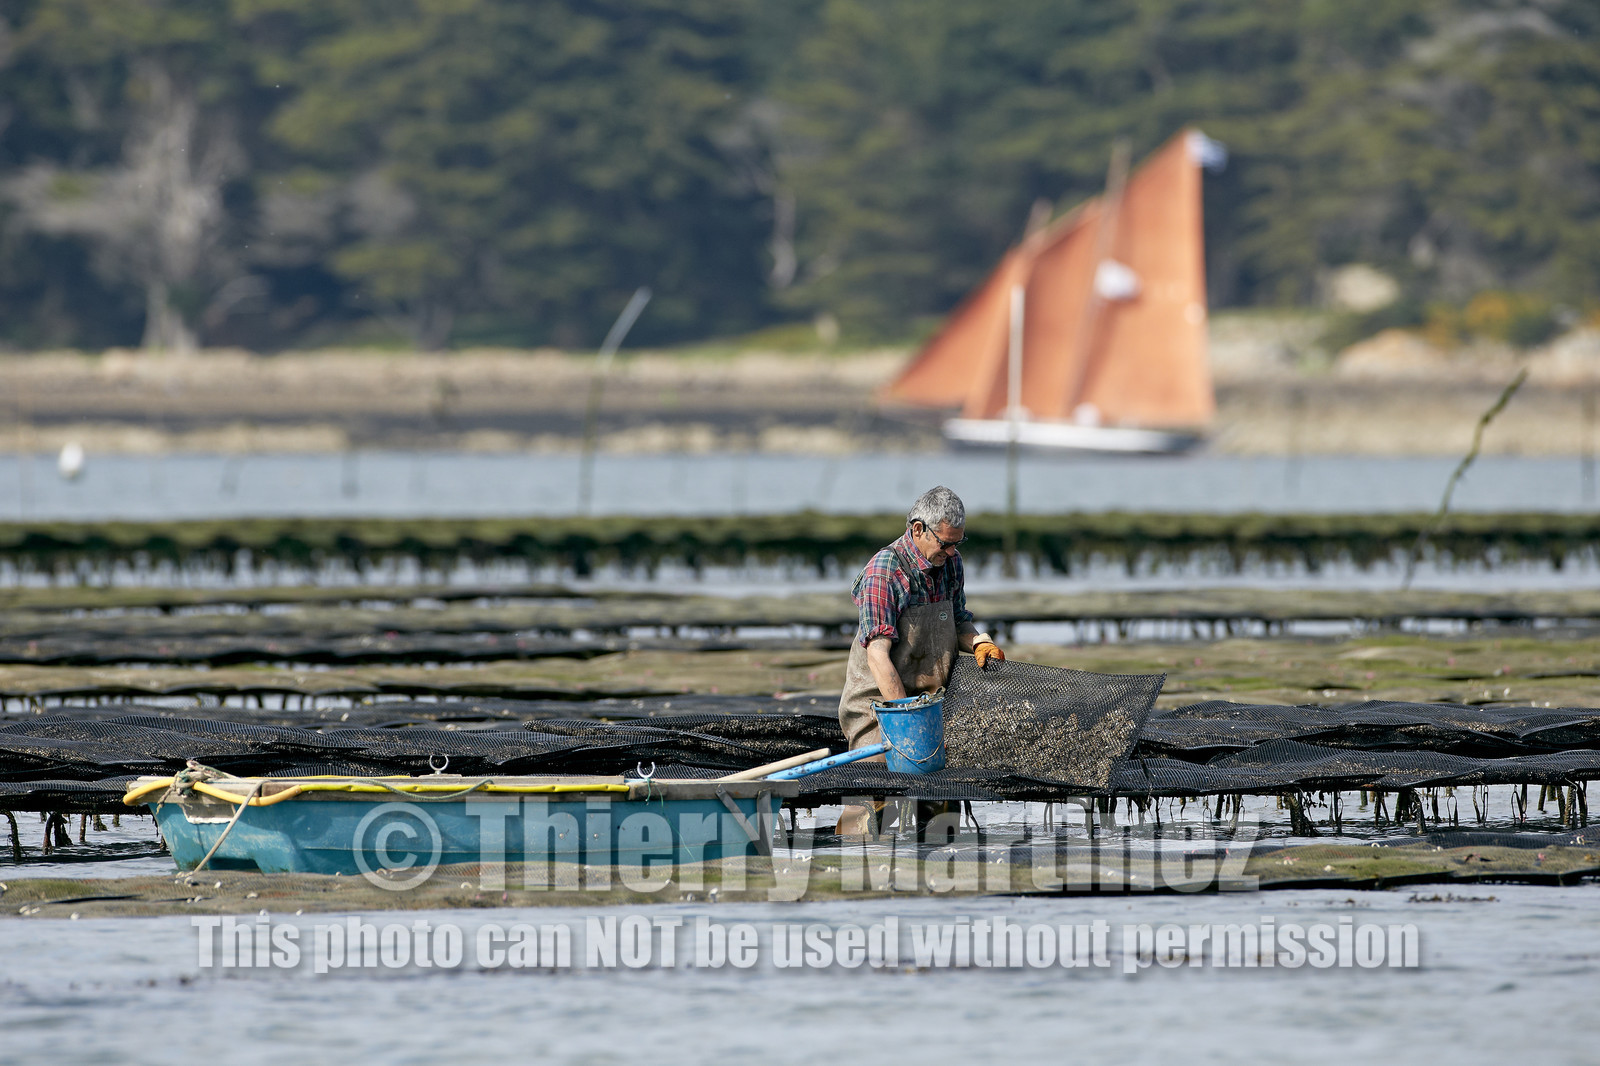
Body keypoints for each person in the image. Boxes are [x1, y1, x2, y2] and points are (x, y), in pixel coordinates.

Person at [835, 485, 1003, 836]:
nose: (951, 551)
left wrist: (981, 642)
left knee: (940, 813)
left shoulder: (951, 564)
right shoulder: (885, 572)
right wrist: (905, 721)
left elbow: (959, 621)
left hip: (930, 705)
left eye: (957, 543)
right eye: (944, 543)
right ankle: (855, 868)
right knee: (874, 803)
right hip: (878, 708)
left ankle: (936, 880)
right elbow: (877, 655)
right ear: (917, 530)